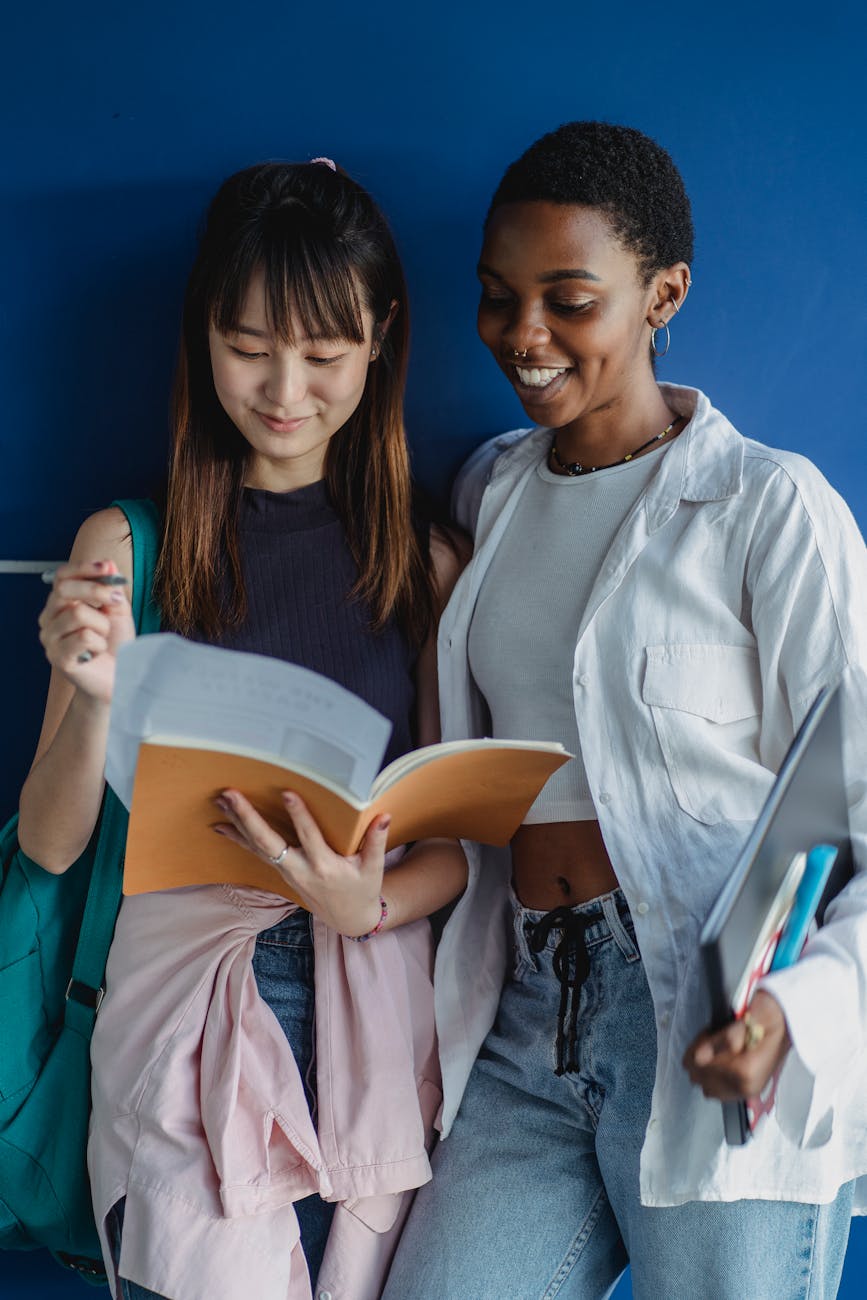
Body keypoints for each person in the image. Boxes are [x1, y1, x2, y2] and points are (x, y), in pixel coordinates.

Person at [383, 121, 867, 1299]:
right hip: (525, 1016)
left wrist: (793, 1019)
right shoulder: (491, 491)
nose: (523, 337)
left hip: (713, 1032)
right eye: (499, 299)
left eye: (567, 299)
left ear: (663, 293)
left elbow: (856, 821)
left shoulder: (769, 511)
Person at [18, 159, 468, 1300]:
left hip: (367, 994)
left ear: (379, 345)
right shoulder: (126, 545)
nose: (284, 388)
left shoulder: (422, 562)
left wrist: (367, 902)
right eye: (248, 346)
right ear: (201, 336)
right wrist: (93, 697)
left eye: (324, 356)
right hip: (182, 995)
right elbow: (53, 845)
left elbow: (460, 847)